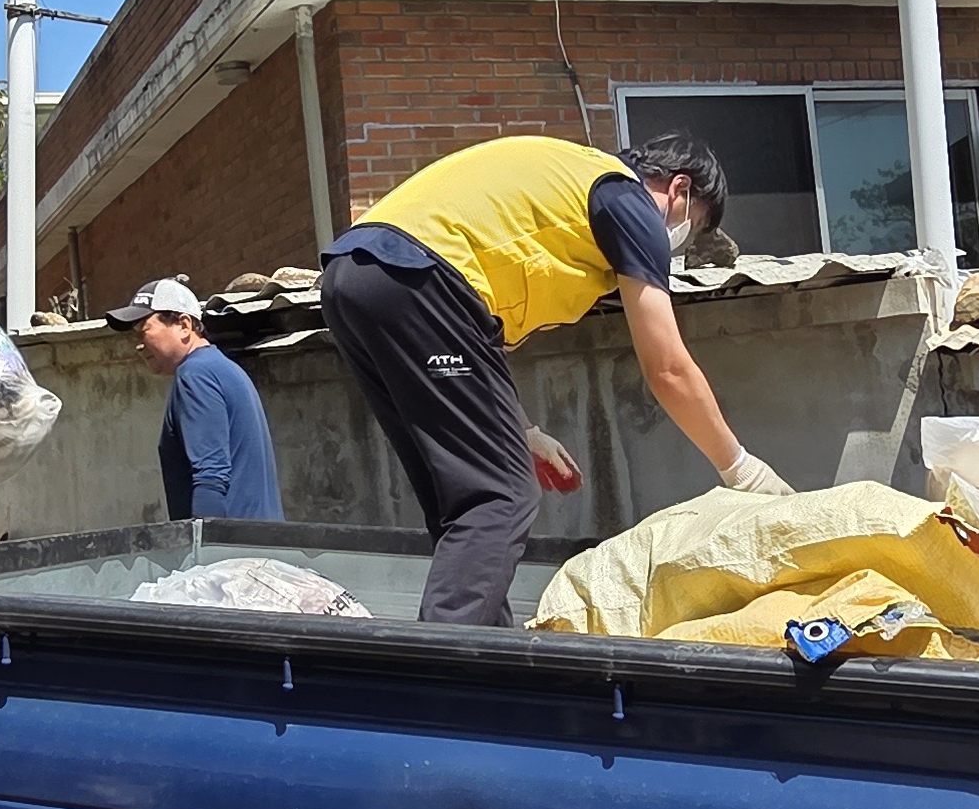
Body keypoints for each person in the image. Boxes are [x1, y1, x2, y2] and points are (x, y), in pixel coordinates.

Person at [319, 132, 795, 627]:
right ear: (679, 190)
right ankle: (443, 672)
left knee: (462, 503)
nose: (677, 244)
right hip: (418, 279)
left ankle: (487, 657)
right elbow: (668, 368)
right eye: (691, 227)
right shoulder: (627, 201)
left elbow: (476, 339)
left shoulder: (567, 193)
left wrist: (521, 430)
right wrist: (741, 469)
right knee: (501, 496)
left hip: (354, 280)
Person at [106, 277, 283, 521]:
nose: (138, 345)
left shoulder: (196, 375)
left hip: (234, 551)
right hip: (256, 544)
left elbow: (211, 476)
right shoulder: (220, 368)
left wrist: (205, 552)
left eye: (144, 330)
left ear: (184, 325)